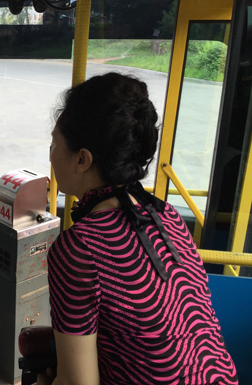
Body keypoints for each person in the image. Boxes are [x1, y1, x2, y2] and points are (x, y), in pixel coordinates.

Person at [46, 73, 237, 384]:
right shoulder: (167, 216)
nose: (51, 154)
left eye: (54, 144)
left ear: (82, 160)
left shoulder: (80, 248)